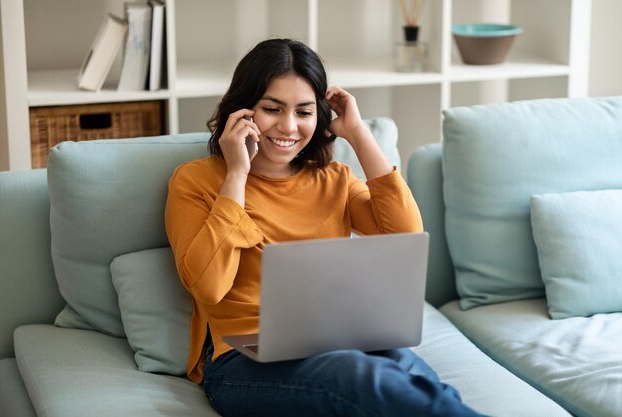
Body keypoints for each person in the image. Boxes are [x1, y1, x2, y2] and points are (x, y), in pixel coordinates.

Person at [165, 38, 485, 417]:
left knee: (414, 376)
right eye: (272, 109)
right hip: (242, 360)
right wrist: (237, 174)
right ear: (243, 110)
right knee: (359, 376)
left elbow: (405, 236)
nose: (288, 126)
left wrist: (357, 132)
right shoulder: (195, 180)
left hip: (339, 341)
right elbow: (208, 286)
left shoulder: (334, 179)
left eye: (303, 112)